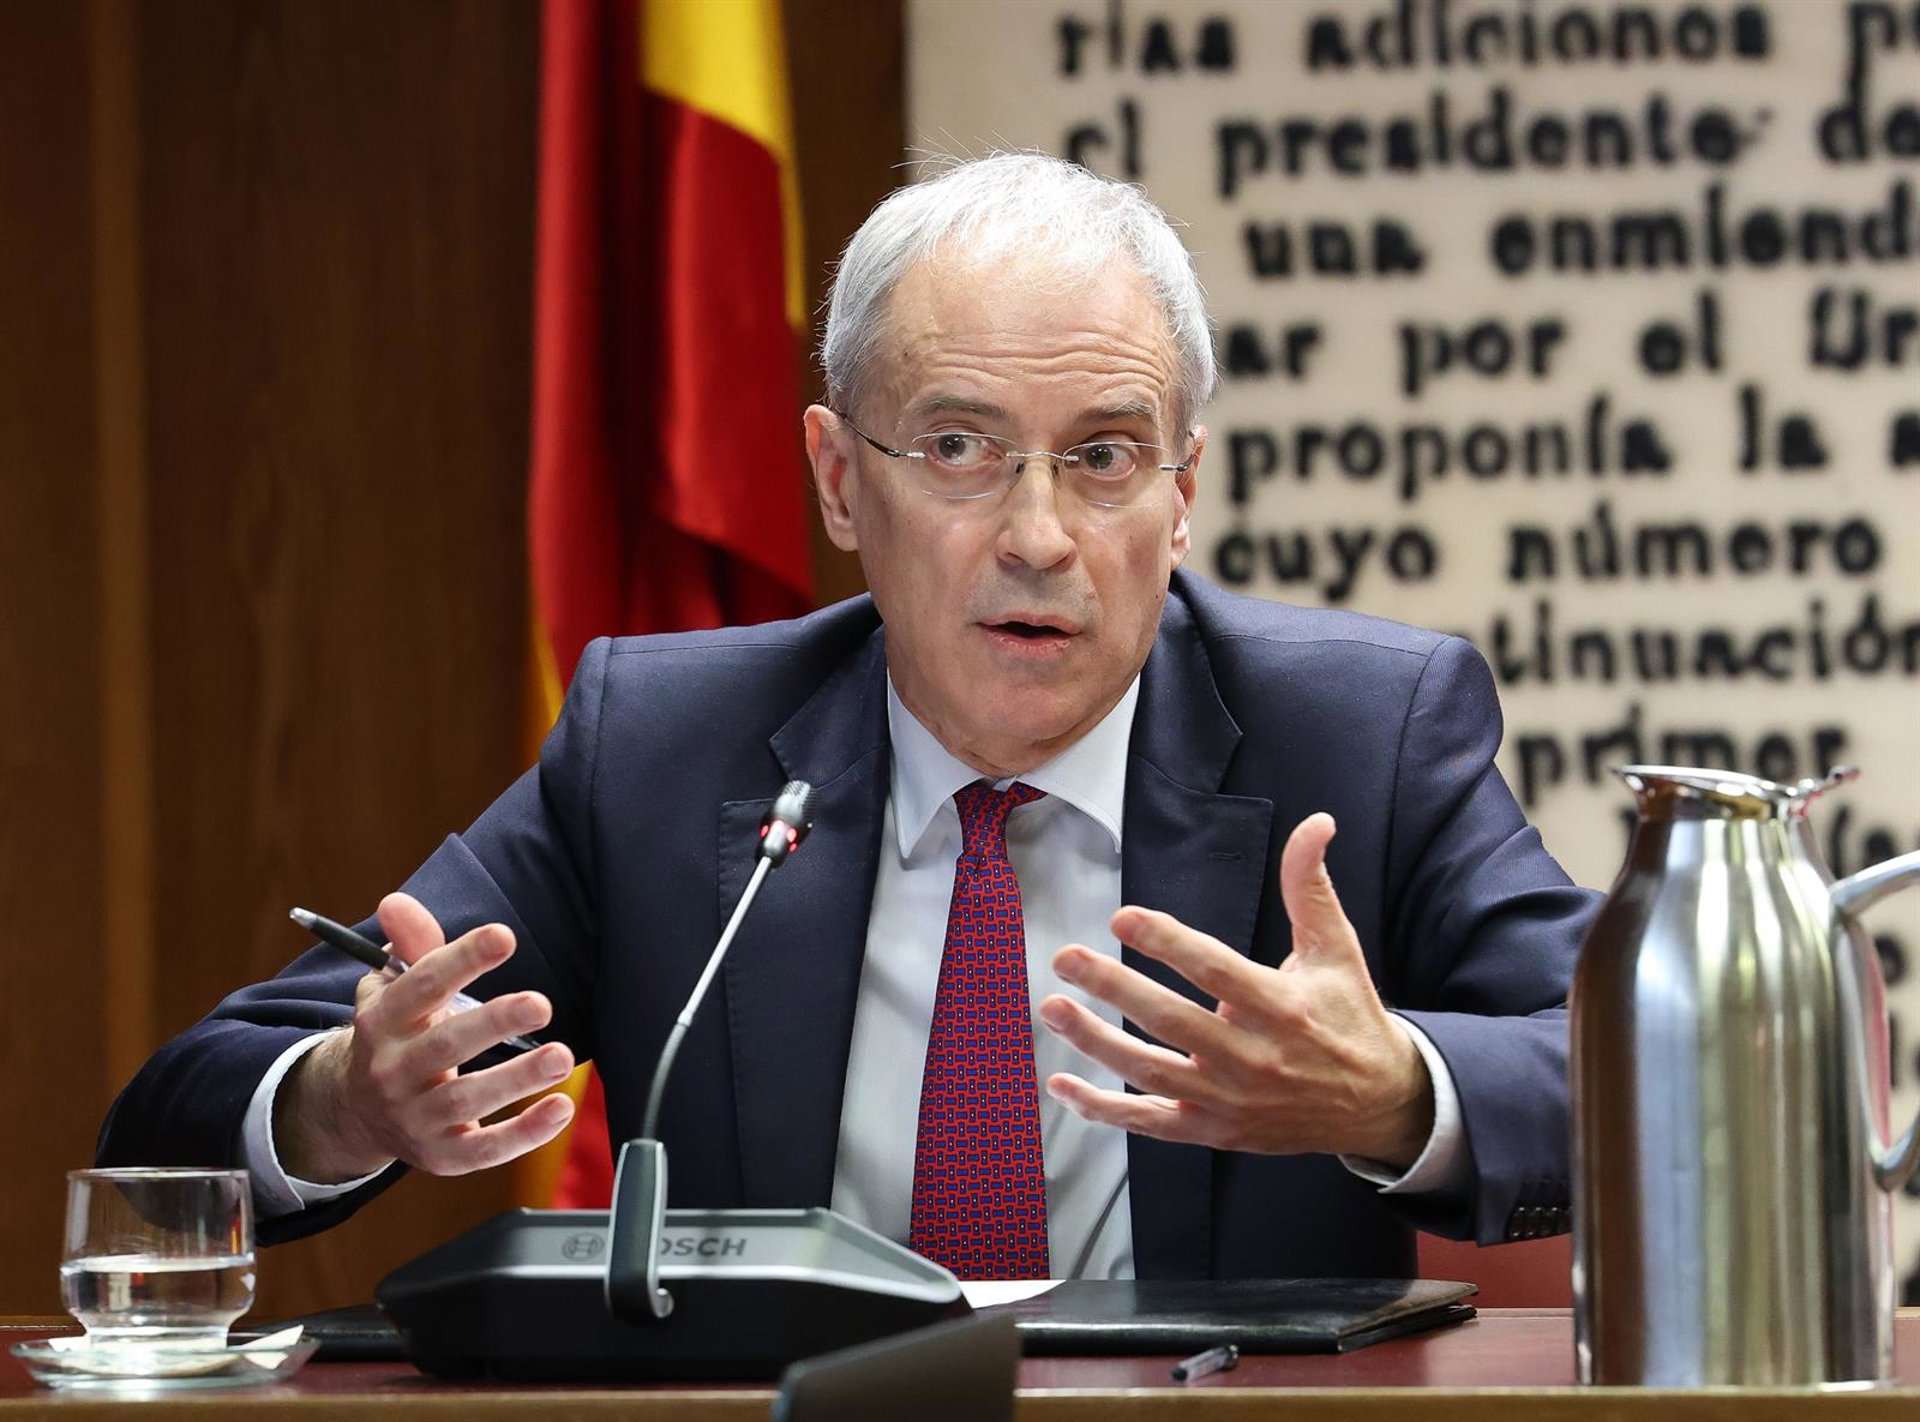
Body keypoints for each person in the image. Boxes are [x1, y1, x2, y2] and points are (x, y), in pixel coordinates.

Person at [99, 154, 1594, 1280]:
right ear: (836, 478)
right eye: (958, 448)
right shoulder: (662, 749)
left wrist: (1394, 1092)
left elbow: (1641, 1070)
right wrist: (346, 1102)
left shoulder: (1366, 733)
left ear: (1182, 491)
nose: (1039, 537)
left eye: (1103, 458)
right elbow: (170, 1125)